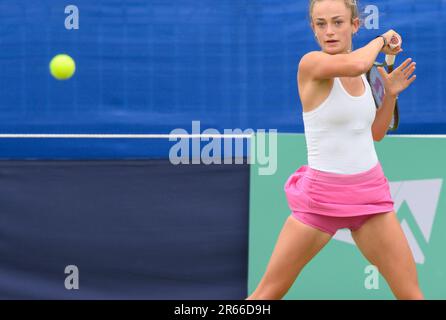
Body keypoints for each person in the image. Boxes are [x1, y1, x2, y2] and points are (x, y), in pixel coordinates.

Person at [247, 0, 423, 300]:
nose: (329, 31)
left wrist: (390, 94)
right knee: (266, 295)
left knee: (411, 295)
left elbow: (375, 134)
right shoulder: (312, 64)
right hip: (320, 201)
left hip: (371, 199)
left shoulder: (366, 77)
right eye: (321, 24)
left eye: (338, 22)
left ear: (355, 25)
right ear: (314, 30)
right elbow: (357, 62)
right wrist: (382, 39)